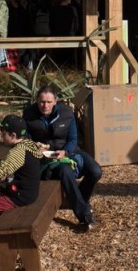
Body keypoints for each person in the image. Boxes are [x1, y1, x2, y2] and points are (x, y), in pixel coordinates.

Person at [22, 85, 101, 231]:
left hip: (68, 151)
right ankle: (84, 215)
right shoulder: (28, 114)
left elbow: (73, 139)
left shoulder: (66, 113)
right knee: (65, 171)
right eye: (41, 102)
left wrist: (65, 152)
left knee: (95, 171)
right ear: (37, 101)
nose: (45, 105)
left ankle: (79, 200)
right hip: (43, 158)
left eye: (48, 102)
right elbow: (24, 139)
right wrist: (34, 145)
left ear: (55, 101)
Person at [0, 115, 43, 258]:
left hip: (21, 195)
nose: (1, 135)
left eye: (3, 132)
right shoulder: (28, 144)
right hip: (30, 191)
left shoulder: (17, 152)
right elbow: (9, 170)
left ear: (13, 135)